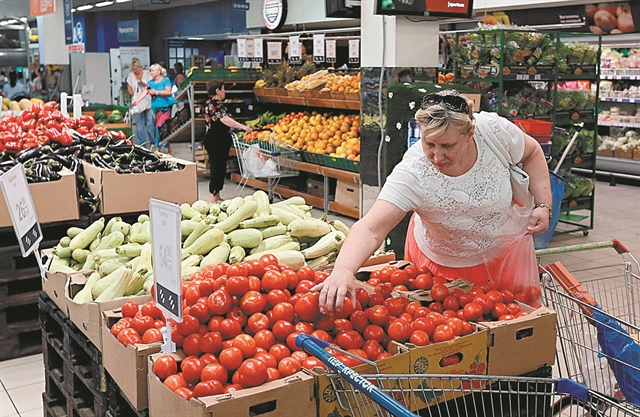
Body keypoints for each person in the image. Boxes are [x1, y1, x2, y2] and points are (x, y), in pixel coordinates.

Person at [313, 90, 552, 315]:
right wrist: (343, 270)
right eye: (430, 144)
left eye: (448, 146)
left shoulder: (493, 132)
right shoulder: (413, 171)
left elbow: (532, 153)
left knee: (508, 327)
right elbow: (371, 228)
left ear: (469, 134)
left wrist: (543, 204)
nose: (437, 156)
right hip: (440, 265)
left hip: (504, 256)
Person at [202, 80, 253, 203]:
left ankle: (217, 194)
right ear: (217, 91)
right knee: (216, 168)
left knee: (221, 167)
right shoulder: (214, 104)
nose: (225, 91)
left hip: (220, 139)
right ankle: (212, 198)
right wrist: (243, 127)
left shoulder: (217, 103)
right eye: (223, 89)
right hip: (215, 140)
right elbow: (224, 119)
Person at [132, 63, 177, 151]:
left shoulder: (165, 80)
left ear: (158, 71)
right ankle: (160, 148)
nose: (151, 72)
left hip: (165, 108)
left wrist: (156, 92)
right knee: (156, 127)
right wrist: (137, 101)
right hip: (155, 108)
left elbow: (168, 92)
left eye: (152, 71)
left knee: (164, 127)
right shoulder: (150, 83)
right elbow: (145, 92)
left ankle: (164, 148)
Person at [126, 59, 154, 147]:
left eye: (136, 69)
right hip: (137, 102)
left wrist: (143, 84)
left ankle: (153, 142)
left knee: (150, 123)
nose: (135, 71)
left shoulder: (147, 74)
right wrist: (133, 94)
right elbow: (129, 88)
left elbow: (151, 85)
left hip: (148, 101)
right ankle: (143, 144)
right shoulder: (130, 76)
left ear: (140, 67)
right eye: (133, 69)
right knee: (139, 124)